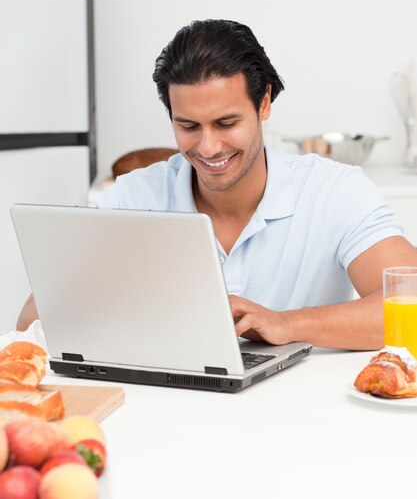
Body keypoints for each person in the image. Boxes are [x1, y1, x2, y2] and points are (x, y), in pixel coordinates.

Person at [17, 20, 417, 349]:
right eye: (188, 126)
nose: (208, 147)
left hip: (304, 419)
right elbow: (31, 325)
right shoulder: (133, 197)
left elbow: (410, 307)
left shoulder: (332, 191)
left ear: (264, 104)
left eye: (226, 123)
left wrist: (287, 324)